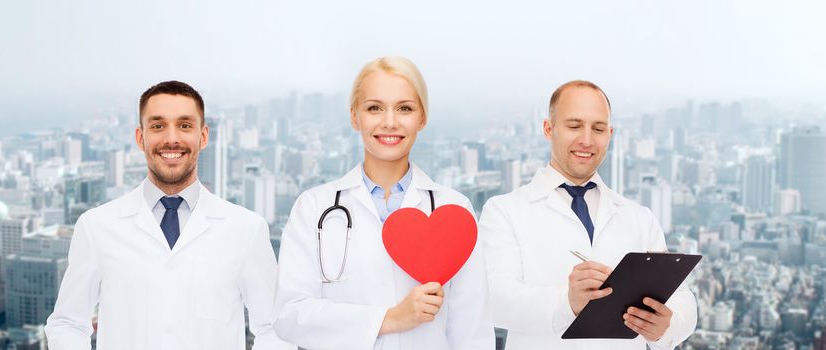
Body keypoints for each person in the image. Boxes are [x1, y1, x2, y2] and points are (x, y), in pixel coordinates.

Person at [45, 81, 294, 350]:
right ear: (141, 138)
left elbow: (275, 328)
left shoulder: (246, 229)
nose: (171, 138)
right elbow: (68, 323)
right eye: (158, 126)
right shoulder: (97, 227)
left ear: (204, 136)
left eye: (185, 125)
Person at [272, 57, 494, 350]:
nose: (390, 122)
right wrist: (389, 319)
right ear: (355, 117)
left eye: (405, 108)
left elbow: (472, 332)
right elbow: (290, 315)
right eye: (374, 108)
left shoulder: (453, 209)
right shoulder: (314, 208)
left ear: (422, 118)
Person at [480, 80, 697, 349]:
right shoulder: (504, 211)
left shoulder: (639, 217)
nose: (586, 140)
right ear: (549, 129)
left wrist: (669, 324)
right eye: (574, 126)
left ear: (610, 133)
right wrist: (567, 302)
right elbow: (494, 300)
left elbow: (682, 297)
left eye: (598, 129)